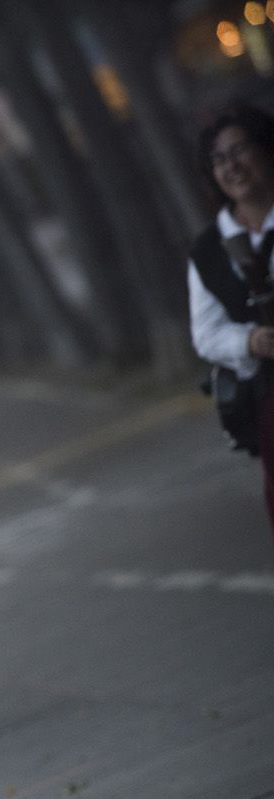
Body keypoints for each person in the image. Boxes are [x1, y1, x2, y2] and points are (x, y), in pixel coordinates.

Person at [189, 104, 274, 541]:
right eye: (219, 160)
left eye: (240, 150)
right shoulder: (208, 250)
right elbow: (206, 334)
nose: (232, 166)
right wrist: (252, 341)